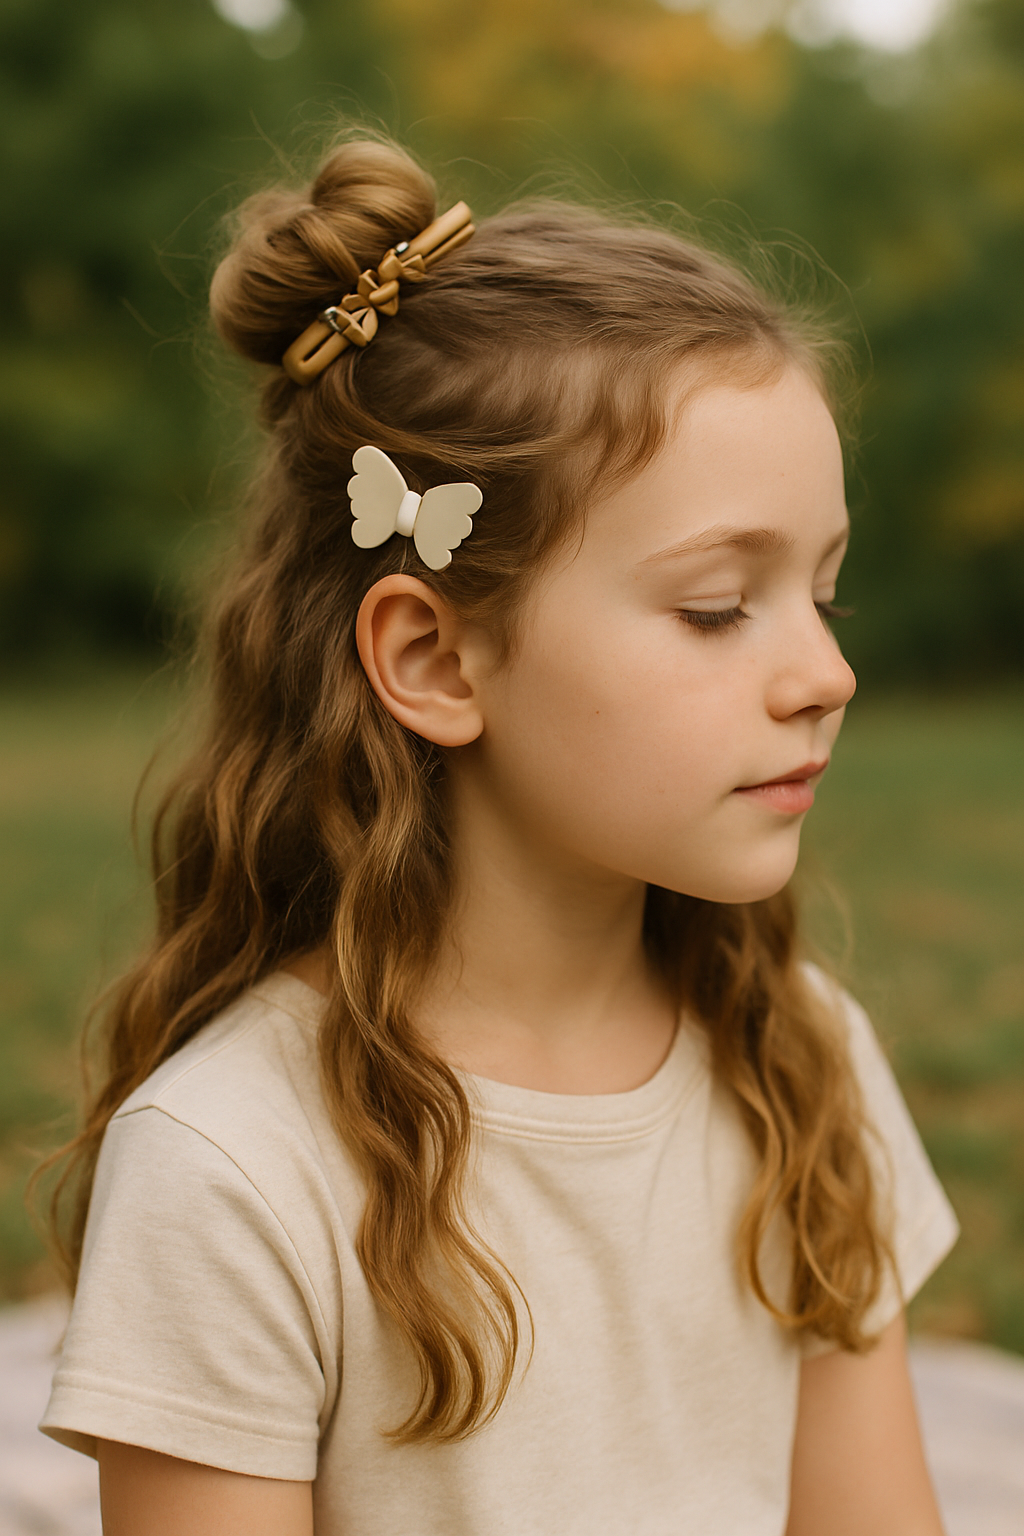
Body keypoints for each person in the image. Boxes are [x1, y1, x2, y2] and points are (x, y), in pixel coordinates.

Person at [40, 134, 958, 1536]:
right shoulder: (235, 1164)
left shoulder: (800, 1056)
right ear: (438, 661)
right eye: (719, 605)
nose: (825, 674)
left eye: (821, 592)